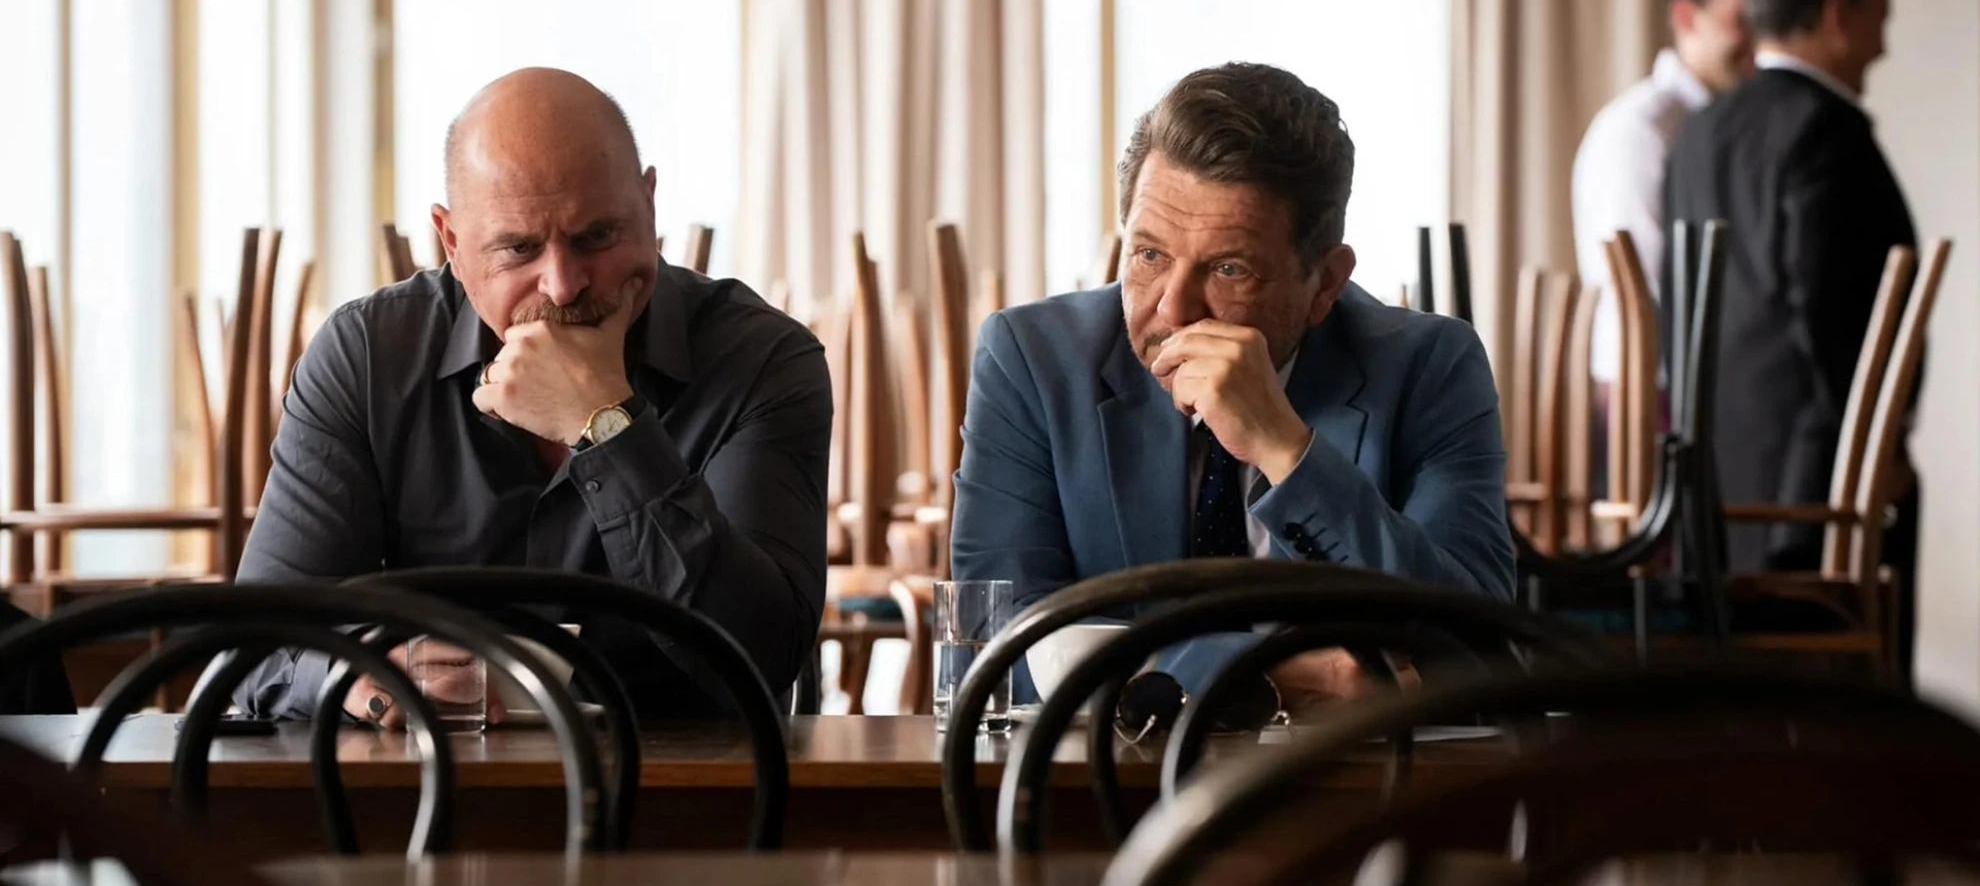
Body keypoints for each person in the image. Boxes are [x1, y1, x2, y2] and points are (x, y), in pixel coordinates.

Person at [234, 67, 831, 723]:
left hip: (685, 782)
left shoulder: (761, 360)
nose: (564, 285)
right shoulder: (370, 357)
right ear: (452, 242)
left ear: (649, 205)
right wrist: (365, 679)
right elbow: (258, 641)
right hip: (429, 779)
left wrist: (607, 423)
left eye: (597, 236)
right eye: (518, 248)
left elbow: (762, 655)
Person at [949, 63, 1513, 707]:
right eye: (1149, 255)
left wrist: (1284, 447)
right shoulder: (1032, 359)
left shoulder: (1430, 366)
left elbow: (1475, 646)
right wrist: (1276, 675)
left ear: (1325, 282)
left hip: (1352, 771)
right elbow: (995, 651)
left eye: (1229, 268)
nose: (1173, 309)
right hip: (1110, 769)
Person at [1664, 0, 1918, 663]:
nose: (1883, 46)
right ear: (1839, 15)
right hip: (1810, 503)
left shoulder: (1700, 131)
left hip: (1710, 487)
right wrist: (1880, 452)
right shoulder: (1829, 134)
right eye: (1878, 19)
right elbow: (1836, 321)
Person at [1572, 0, 1755, 398]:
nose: (1757, 42)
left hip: (1702, 385)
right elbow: (1644, 286)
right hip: (1648, 391)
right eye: (1740, 20)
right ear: (1686, 17)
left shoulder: (1735, 123)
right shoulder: (1642, 129)